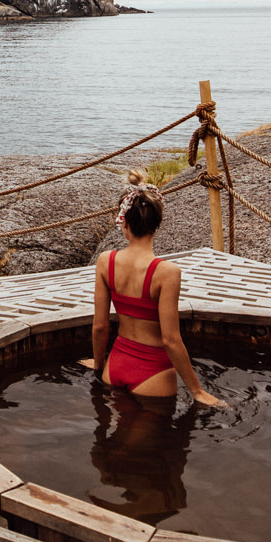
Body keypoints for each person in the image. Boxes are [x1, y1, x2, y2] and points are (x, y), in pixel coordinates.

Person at [83, 171, 226, 407]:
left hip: (116, 364)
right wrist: (197, 391)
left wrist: (99, 366)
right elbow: (171, 340)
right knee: (153, 442)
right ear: (156, 224)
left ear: (124, 222)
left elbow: (100, 326)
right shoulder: (166, 272)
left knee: (115, 441)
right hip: (153, 372)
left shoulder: (105, 261)